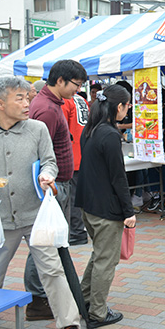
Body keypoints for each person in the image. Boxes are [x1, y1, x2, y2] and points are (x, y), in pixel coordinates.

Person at [0, 76, 85, 329]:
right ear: (0, 103)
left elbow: (50, 161)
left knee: (52, 270)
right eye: (20, 98)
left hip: (35, 214)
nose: (27, 102)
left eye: (28, 97)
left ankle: (68, 324)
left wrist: (47, 174)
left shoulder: (37, 129)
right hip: (0, 217)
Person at [25, 59, 88, 321]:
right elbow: (41, 153)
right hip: (53, 185)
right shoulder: (49, 110)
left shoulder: (51, 104)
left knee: (46, 241)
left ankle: (40, 296)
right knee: (44, 243)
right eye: (76, 85)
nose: (78, 90)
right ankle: (38, 298)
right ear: (60, 80)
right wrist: (49, 183)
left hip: (57, 183)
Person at [75, 84, 136, 329]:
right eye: (127, 104)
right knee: (106, 261)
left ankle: (83, 300)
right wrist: (129, 211)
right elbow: (118, 177)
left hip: (88, 204)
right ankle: (97, 312)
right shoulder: (110, 134)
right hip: (105, 208)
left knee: (99, 256)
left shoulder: (90, 129)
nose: (129, 108)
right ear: (118, 107)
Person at [62, 92, 90, 245]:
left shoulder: (66, 101)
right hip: (83, 153)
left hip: (71, 155)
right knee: (78, 196)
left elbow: (62, 128)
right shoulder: (81, 99)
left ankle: (76, 232)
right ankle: (80, 230)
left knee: (72, 198)